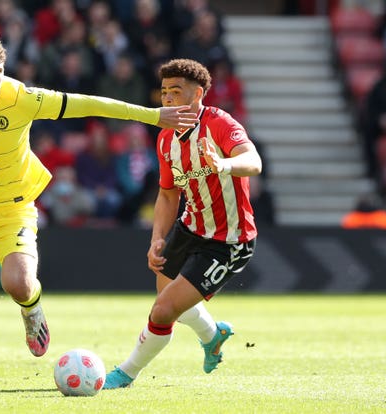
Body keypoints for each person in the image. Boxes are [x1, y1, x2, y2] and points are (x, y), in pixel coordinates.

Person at [0, 35, 196, 392]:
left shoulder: (20, 97)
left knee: (16, 284)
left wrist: (153, 115)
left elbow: (88, 104)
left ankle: (31, 310)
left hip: (14, 210)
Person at [103, 58, 262, 389]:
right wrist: (156, 239)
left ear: (198, 94)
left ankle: (126, 373)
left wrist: (225, 163)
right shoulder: (165, 139)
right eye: (164, 93)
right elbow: (166, 195)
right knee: (168, 296)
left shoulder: (219, 123)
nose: (168, 99)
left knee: (163, 309)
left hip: (229, 241)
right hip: (190, 228)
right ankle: (211, 334)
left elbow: (254, 162)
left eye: (176, 91)